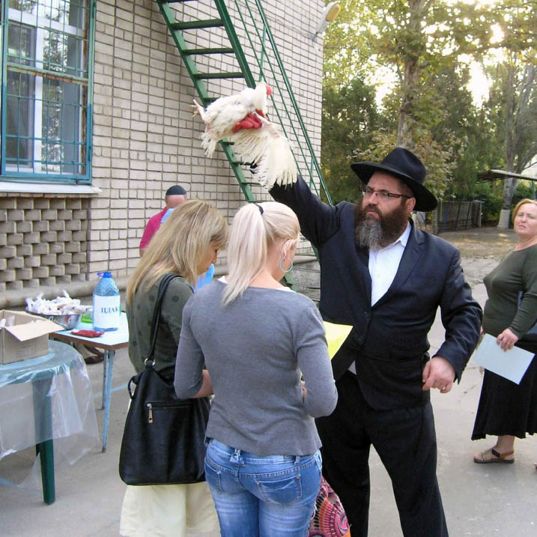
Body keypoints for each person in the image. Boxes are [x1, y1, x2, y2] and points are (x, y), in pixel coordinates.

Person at [270, 147, 482, 537]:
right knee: (343, 497)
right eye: (369, 190)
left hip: (402, 398)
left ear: (409, 204)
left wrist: (449, 358)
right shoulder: (338, 225)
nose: (371, 200)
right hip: (338, 394)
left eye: (385, 194)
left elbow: (466, 313)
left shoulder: (440, 257)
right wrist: (258, 141)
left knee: (418, 496)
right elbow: (291, 192)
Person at [174, 202, 338, 537]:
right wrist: (296, 391)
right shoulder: (298, 309)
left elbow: (186, 385)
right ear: (287, 248)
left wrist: (233, 377)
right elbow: (323, 402)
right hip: (284, 457)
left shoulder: (200, 301)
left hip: (222, 454)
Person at [120, 199, 228, 537]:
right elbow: (198, 361)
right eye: (215, 249)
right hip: (175, 412)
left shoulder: (144, 277)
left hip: (149, 404)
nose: (215, 259)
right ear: (197, 241)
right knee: (182, 514)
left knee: (154, 511)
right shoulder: (177, 289)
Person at [472, 199, 537, 464]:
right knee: (509, 397)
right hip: (500, 338)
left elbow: (534, 296)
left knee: (516, 397)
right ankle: (504, 448)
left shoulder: (535, 253)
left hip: (515, 340)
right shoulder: (518, 249)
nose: (523, 219)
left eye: (531, 216)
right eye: (521, 214)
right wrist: (486, 324)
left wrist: (515, 330)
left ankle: (503, 449)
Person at [139, 184, 187, 256]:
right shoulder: (154, 221)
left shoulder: (192, 220)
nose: (176, 211)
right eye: (172, 208)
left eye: (180, 207)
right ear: (166, 202)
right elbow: (142, 251)